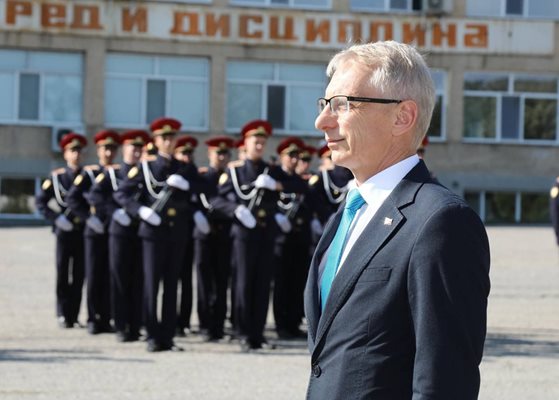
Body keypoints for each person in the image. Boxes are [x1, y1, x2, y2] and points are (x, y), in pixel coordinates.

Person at [304, 41, 490, 399]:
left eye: (343, 104)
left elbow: (445, 379)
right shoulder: (349, 211)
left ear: (402, 117)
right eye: (325, 104)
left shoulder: (440, 222)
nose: (322, 120)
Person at [212, 120, 306, 351]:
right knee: (244, 283)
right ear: (245, 143)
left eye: (263, 143)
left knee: (263, 283)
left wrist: (276, 186)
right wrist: (235, 209)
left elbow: (300, 186)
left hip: (266, 234)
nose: (259, 146)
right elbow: (216, 200)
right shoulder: (235, 172)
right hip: (244, 235)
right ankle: (243, 332)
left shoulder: (270, 170)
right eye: (256, 142)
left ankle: (258, 333)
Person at [114, 117, 205, 352]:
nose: (168, 141)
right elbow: (122, 195)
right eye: (164, 138)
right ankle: (153, 336)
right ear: (155, 140)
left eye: (172, 137)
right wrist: (141, 211)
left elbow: (207, 188)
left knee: (171, 285)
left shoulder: (184, 168)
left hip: (177, 232)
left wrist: (188, 186)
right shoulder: (145, 168)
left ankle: (168, 336)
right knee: (152, 285)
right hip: (152, 233)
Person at [89, 129, 150, 342]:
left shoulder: (146, 173)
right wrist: (114, 212)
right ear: (125, 149)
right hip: (120, 231)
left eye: (139, 149)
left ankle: (136, 325)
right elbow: (95, 195)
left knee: (138, 279)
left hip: (140, 230)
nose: (136, 152)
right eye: (133, 148)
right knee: (120, 278)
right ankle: (122, 326)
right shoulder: (114, 173)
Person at [67, 129, 120, 335]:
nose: (108, 153)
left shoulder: (119, 172)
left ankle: (107, 317)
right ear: (98, 150)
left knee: (111, 274)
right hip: (94, 229)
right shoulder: (89, 173)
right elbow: (73, 199)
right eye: (105, 148)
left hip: (113, 228)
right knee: (93, 274)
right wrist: (88, 218)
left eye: (112, 149)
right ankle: (92, 317)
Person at [36, 132, 87, 328]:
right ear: (65, 154)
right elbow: (41, 202)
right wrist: (56, 219)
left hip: (82, 231)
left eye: (79, 151)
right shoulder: (57, 177)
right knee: (63, 273)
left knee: (80, 274)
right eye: (72, 151)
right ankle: (62, 314)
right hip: (64, 232)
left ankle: (74, 315)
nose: (76, 155)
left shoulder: (87, 176)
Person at [194, 135, 235, 341]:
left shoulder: (232, 177)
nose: (222, 157)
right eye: (218, 153)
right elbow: (201, 200)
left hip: (225, 233)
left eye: (225, 153)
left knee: (221, 281)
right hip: (205, 234)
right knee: (204, 281)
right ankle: (204, 325)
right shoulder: (203, 177)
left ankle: (218, 326)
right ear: (210, 154)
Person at [173, 135, 199, 337]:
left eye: (189, 153)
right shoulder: (171, 171)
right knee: (171, 279)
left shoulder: (192, 172)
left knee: (187, 281)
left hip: (190, 231)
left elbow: (204, 190)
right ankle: (172, 321)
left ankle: (184, 321)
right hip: (171, 231)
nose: (186, 157)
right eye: (183, 153)